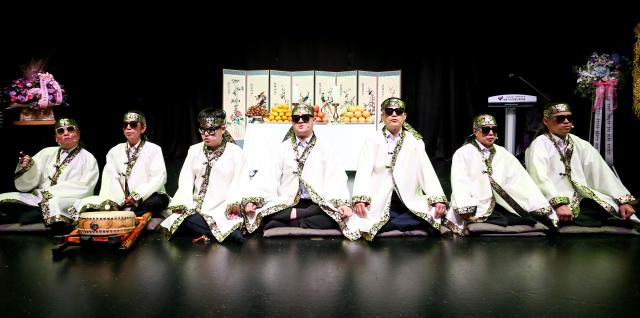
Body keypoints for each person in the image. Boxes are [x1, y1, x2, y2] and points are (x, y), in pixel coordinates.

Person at [243, 103, 359, 240]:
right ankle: (301, 218)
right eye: (296, 118)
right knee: (263, 211)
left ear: (313, 120)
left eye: (305, 117)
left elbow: (335, 178)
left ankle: (289, 222)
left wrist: (342, 204)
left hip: (316, 203)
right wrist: (254, 200)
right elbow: (268, 176)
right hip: (287, 202)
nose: (300, 121)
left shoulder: (325, 149)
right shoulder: (282, 149)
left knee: (336, 217)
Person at [351, 97, 451, 240]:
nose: (394, 114)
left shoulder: (415, 141)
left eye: (398, 111)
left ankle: (389, 225)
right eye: (389, 111)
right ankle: (397, 223)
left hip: (407, 197)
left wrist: (437, 199)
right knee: (363, 216)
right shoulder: (372, 139)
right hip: (380, 195)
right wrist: (361, 198)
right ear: (383, 116)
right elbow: (363, 170)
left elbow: (426, 171)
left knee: (434, 212)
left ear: (404, 116)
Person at [525, 102, 637, 227]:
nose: (566, 121)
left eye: (569, 118)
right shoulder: (539, 145)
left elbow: (602, 173)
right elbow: (539, 177)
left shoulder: (580, 144)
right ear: (546, 121)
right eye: (560, 118)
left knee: (618, 215)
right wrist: (559, 203)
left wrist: (622, 201)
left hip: (581, 198)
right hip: (552, 198)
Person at [445, 114, 557, 233]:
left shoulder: (503, 152)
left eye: (494, 129)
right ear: (475, 131)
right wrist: (465, 206)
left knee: (526, 218)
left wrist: (537, 204)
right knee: (495, 218)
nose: (491, 133)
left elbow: (521, 180)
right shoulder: (463, 153)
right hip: (476, 202)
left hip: (503, 202)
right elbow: (460, 181)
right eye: (486, 130)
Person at [158, 108, 246, 243]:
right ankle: (212, 233)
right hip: (195, 208)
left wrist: (233, 206)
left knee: (235, 234)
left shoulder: (235, 152)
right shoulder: (194, 150)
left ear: (222, 128)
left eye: (211, 130)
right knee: (178, 221)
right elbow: (185, 180)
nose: (206, 134)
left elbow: (240, 181)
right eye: (202, 130)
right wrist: (182, 204)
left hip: (221, 208)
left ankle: (206, 231)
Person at [71, 111, 169, 227]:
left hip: (147, 196)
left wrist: (136, 196)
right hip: (123, 199)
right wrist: (120, 199)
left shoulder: (154, 149)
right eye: (125, 125)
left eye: (133, 124)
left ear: (142, 128)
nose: (128, 128)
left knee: (157, 201)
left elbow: (159, 177)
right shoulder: (114, 151)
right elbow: (110, 178)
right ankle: (133, 216)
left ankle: (126, 216)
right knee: (92, 204)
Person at [0, 118, 99, 232]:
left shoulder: (88, 158)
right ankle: (35, 215)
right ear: (56, 138)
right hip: (39, 197)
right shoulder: (46, 152)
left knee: (55, 204)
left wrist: (49, 194)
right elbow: (31, 178)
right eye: (61, 131)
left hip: (67, 199)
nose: (66, 133)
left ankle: (32, 215)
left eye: (70, 129)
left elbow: (85, 187)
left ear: (78, 134)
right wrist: (27, 166)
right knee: (3, 198)